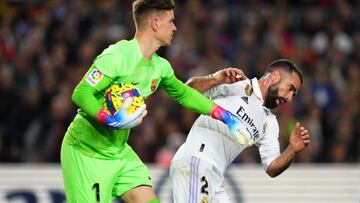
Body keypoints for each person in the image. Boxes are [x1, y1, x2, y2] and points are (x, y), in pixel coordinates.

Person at [60, 0, 248, 202]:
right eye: (171, 21)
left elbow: (184, 94)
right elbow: (81, 93)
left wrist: (225, 116)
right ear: (155, 23)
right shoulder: (118, 56)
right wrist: (106, 118)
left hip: (119, 152)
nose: (175, 27)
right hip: (87, 153)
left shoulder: (160, 67)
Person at [170, 59, 311, 203]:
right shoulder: (236, 82)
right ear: (275, 77)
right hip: (196, 161)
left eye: (293, 95)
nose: (289, 98)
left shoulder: (269, 122)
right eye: (290, 89)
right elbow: (185, 92)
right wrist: (216, 79)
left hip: (215, 176)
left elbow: (272, 167)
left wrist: (292, 149)